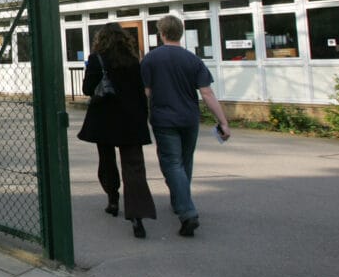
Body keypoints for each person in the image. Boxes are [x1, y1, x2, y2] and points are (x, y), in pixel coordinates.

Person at [141, 14, 231, 238]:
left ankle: (187, 212)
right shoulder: (193, 60)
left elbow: (146, 92)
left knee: (171, 163)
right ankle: (179, 200)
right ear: (180, 33)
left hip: (164, 119)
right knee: (185, 162)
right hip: (189, 119)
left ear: (161, 34)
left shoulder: (151, 60)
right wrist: (223, 121)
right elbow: (207, 93)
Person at [78, 22, 157, 238]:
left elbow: (87, 89)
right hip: (131, 119)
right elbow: (140, 92)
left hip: (105, 118)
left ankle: (113, 199)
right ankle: (137, 216)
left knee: (107, 160)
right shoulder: (133, 60)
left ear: (101, 39)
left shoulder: (97, 59)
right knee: (134, 166)